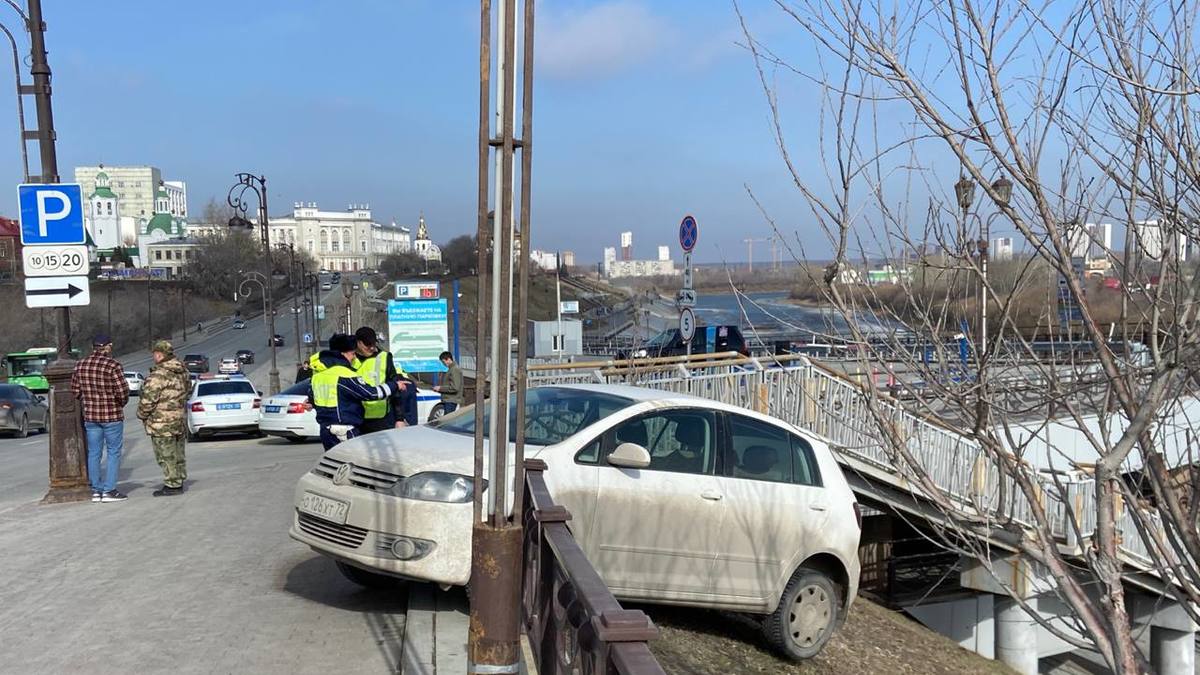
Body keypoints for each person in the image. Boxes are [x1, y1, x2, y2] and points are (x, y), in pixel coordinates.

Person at [310, 333, 408, 450]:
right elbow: (370, 393)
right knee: (354, 463)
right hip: (344, 429)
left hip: (325, 429)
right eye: (352, 354)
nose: (354, 357)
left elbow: (312, 397)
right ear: (342, 354)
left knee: (335, 462)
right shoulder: (344, 374)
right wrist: (394, 385)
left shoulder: (318, 375)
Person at [71, 334, 130, 503]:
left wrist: (88, 399)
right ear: (108, 346)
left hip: (91, 416)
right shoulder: (113, 365)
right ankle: (109, 489)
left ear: (93, 347)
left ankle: (96, 490)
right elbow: (122, 391)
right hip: (111, 415)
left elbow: (75, 390)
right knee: (113, 452)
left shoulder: (80, 365)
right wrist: (119, 403)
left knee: (94, 453)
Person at [137, 340, 193, 497]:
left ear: (159, 355)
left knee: (165, 455)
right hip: (179, 420)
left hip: (161, 423)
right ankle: (179, 479)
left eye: (154, 354)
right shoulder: (183, 372)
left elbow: (148, 401)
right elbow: (188, 390)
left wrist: (141, 415)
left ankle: (172, 484)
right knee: (178, 453)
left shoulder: (157, 376)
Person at [353, 326, 416, 432]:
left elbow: (395, 389)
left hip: (381, 419)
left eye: (373, 344)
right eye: (368, 345)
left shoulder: (384, 357)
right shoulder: (350, 358)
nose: (372, 348)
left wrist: (399, 418)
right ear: (358, 343)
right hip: (356, 418)